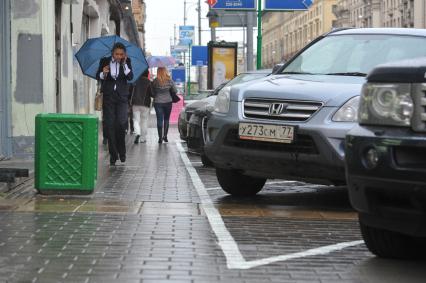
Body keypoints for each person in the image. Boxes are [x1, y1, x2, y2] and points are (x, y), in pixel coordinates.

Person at [96, 42, 133, 165]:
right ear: (112, 53)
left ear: (124, 55)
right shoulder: (105, 61)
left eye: (121, 54)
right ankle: (113, 154)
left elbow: (130, 77)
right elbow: (98, 76)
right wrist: (104, 72)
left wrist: (124, 65)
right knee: (109, 125)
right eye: (116, 54)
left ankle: (122, 151)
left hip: (122, 98)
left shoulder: (127, 62)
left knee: (121, 124)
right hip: (109, 98)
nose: (118, 56)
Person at [151, 67, 177, 144]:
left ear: (158, 72)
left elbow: (152, 92)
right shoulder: (169, 80)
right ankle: (165, 136)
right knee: (166, 119)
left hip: (158, 102)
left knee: (159, 120)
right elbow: (175, 90)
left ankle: (160, 138)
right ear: (165, 71)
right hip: (168, 102)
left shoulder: (155, 81)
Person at [131, 70, 152, 144]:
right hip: (145, 104)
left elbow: (130, 92)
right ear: (147, 74)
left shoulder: (134, 81)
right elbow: (152, 93)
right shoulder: (149, 82)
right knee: (144, 121)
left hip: (135, 103)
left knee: (136, 120)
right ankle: (143, 138)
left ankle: (137, 133)